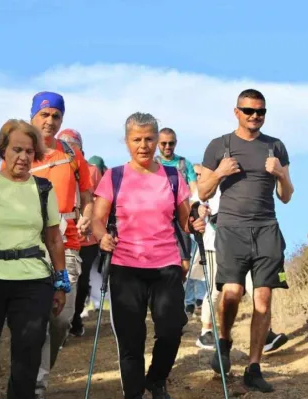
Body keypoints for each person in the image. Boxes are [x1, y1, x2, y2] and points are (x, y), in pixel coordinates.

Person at [91, 112, 206, 399]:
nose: (143, 145)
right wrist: (101, 236)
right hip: (125, 267)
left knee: (171, 327)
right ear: (127, 141)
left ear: (157, 140)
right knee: (131, 341)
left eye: (149, 139)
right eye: (136, 139)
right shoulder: (114, 176)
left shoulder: (172, 175)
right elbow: (97, 219)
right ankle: (133, 394)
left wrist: (195, 223)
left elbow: (184, 222)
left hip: (165, 265)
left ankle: (156, 379)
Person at [0, 119, 70, 399]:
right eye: (17, 149)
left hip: (32, 280)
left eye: (29, 151)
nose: (23, 157)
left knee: (28, 356)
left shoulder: (43, 189)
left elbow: (53, 239)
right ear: (3, 151)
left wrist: (61, 281)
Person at [198, 88, 294, 393]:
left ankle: (254, 367)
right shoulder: (219, 145)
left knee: (263, 298)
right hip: (230, 228)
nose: (255, 116)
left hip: (266, 228)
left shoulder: (275, 146)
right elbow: (203, 193)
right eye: (249, 110)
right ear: (236, 111)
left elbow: (287, 196)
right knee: (232, 293)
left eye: (260, 112)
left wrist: (281, 174)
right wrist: (219, 173)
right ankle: (223, 342)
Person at [0, 92, 94, 399]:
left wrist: (87, 217)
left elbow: (87, 195)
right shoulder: (19, 153)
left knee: (61, 319)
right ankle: (34, 388)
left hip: (66, 245)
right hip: (27, 246)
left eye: (56, 116)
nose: (50, 121)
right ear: (32, 117)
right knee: (35, 320)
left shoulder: (70, 154)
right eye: (44, 115)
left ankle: (33, 379)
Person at [192, 166, 289, 354]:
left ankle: (266, 334)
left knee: (257, 288)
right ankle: (207, 332)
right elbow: (196, 202)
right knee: (215, 289)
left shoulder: (245, 181)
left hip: (248, 241)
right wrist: (200, 212)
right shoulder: (213, 176)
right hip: (215, 242)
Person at [56, 128, 103, 338]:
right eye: (64, 145)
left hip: (87, 237)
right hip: (60, 233)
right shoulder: (55, 166)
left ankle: (74, 318)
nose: (69, 148)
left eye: (73, 145)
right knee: (61, 277)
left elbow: (101, 199)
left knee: (81, 281)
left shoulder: (92, 170)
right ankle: (61, 321)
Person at [155, 127, 199, 292]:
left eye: (171, 143)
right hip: (159, 219)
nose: (167, 147)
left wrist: (196, 206)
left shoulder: (184, 164)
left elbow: (195, 190)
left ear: (176, 143)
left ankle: (175, 291)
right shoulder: (153, 164)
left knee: (184, 265)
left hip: (181, 218)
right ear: (158, 144)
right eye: (163, 143)